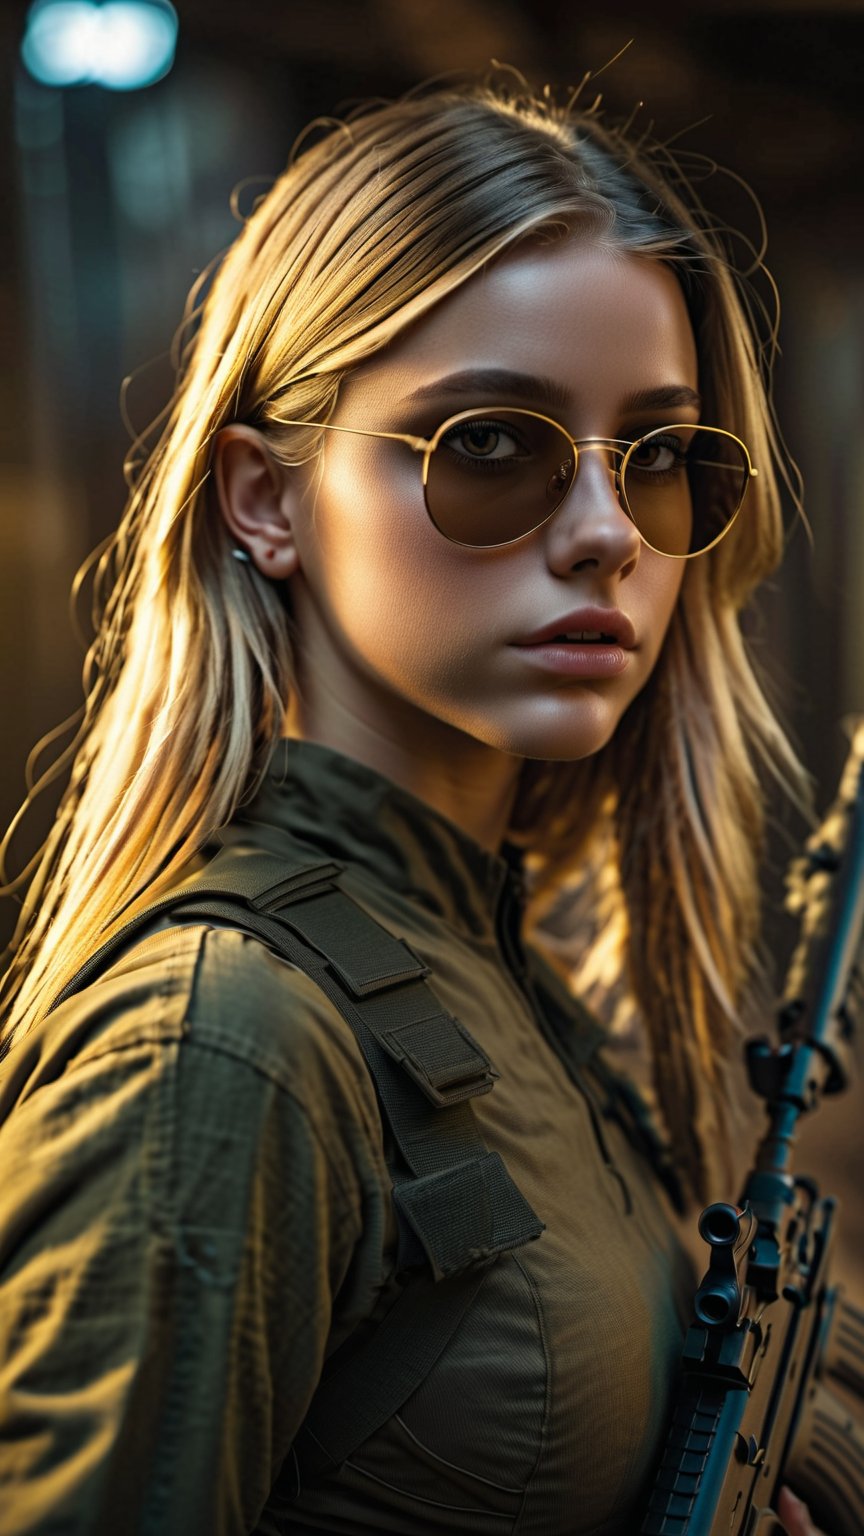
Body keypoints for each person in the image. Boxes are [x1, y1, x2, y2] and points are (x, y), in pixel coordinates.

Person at [0, 71, 827, 1536]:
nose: (603, 534)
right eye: (492, 446)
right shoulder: (230, 1042)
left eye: (657, 457)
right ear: (264, 500)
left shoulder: (500, 973)